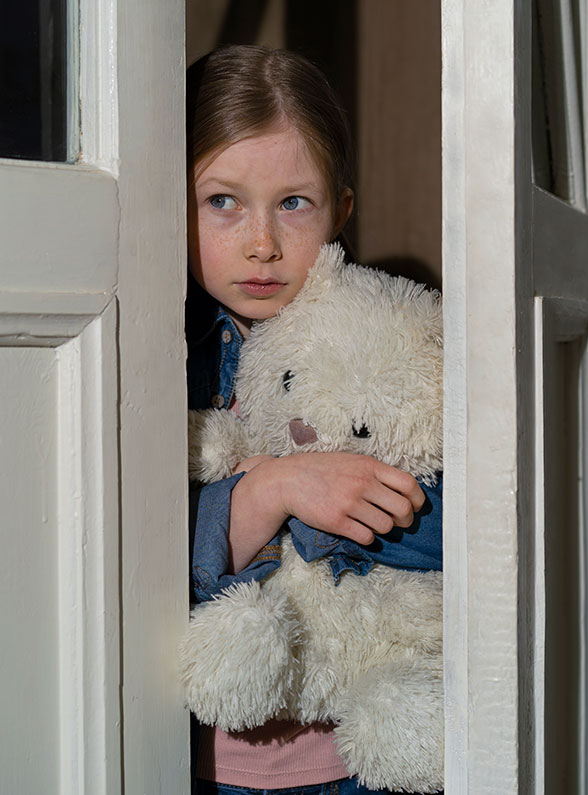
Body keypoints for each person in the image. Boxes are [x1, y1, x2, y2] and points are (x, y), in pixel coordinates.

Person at [186, 45, 443, 795]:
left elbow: (456, 531)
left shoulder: (384, 339)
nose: (261, 242)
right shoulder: (152, 358)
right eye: (222, 202)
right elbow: (123, 566)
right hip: (203, 763)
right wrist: (268, 490)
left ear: (341, 211)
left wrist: (333, 511)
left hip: (357, 756)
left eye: (293, 203)